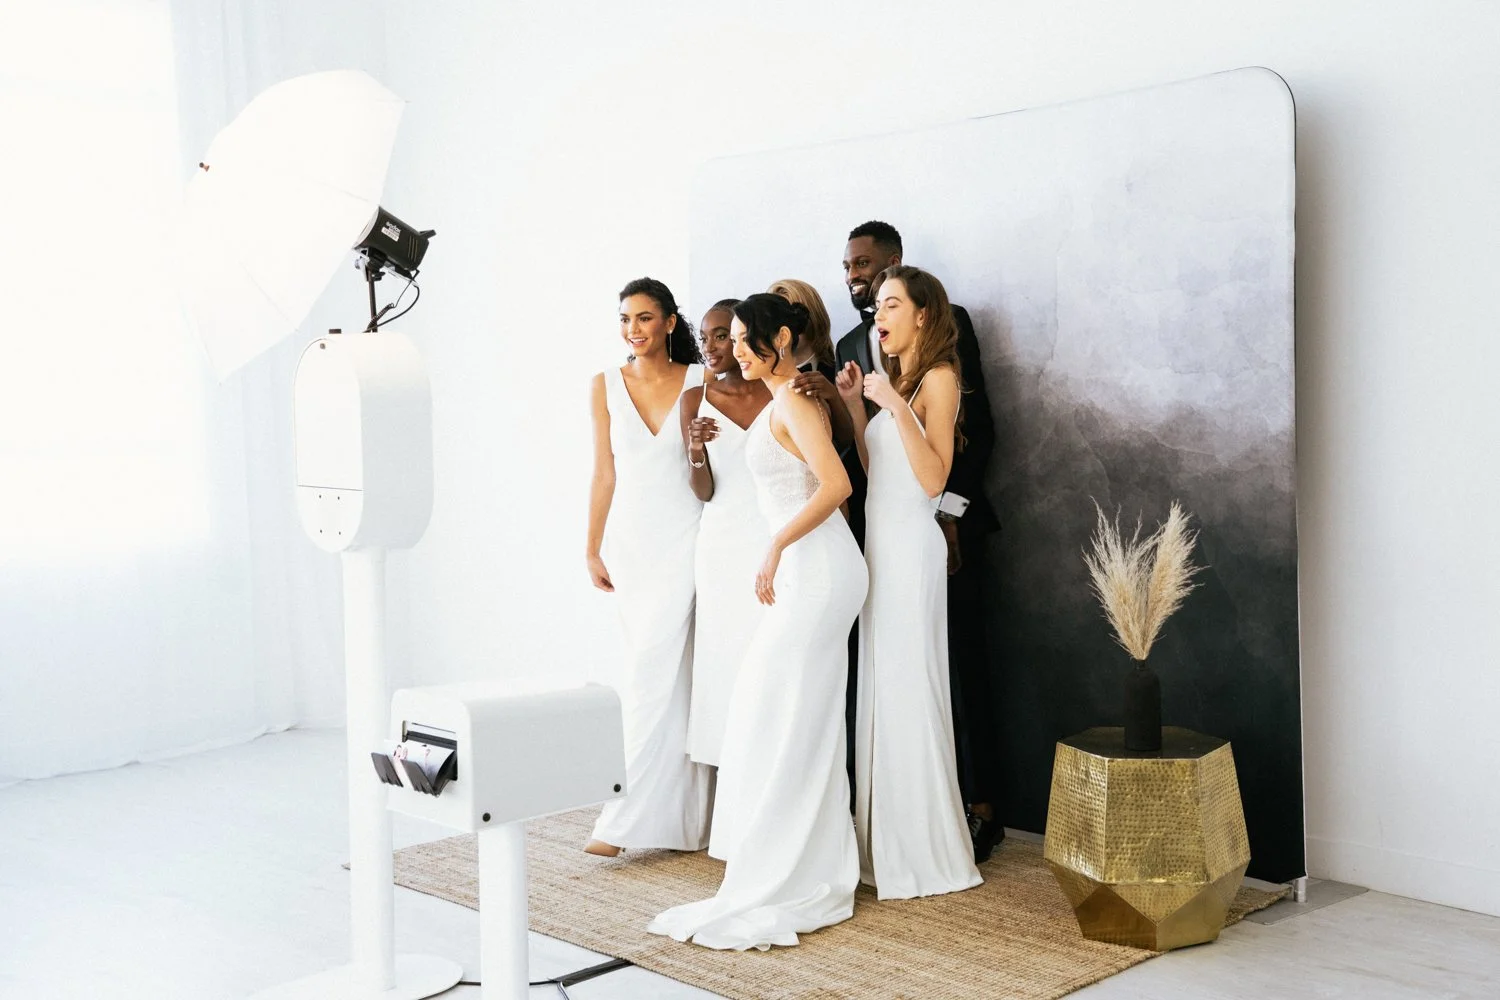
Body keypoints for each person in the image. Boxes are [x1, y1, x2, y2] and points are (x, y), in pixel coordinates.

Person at [649, 293, 867, 950]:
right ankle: (803, 860)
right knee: (788, 716)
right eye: (734, 339)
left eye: (746, 339)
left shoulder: (794, 400)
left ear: (781, 340)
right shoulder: (782, 400)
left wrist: (776, 545)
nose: (735, 350)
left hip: (818, 572)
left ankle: (793, 867)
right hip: (811, 570)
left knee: (778, 712)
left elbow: (836, 485)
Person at [834, 220, 1004, 863]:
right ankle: (887, 831)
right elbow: (880, 470)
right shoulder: (877, 364)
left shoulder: (939, 368)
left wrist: (950, 515)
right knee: (885, 683)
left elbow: (946, 465)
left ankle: (949, 826)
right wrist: (859, 408)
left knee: (934, 677)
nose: (875, 310)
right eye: (875, 304)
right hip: (881, 543)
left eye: (888, 300)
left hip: (924, 537)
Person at [584, 277, 712, 857]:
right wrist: (592, 547)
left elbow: (713, 465)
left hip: (688, 537)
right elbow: (603, 472)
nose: (632, 329)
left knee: (653, 673)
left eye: (643, 318)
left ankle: (620, 818)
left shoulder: (701, 380)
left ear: (668, 322)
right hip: (632, 546)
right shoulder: (604, 385)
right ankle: (686, 821)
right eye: (624, 319)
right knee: (664, 674)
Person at [679, 299, 772, 771]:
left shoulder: (778, 390)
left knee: (767, 651)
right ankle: (730, 773)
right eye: (705, 338)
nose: (711, 347)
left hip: (773, 537)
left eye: (722, 335)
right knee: (724, 652)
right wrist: (695, 449)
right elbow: (704, 491)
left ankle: (768, 762)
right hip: (721, 544)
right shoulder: (694, 400)